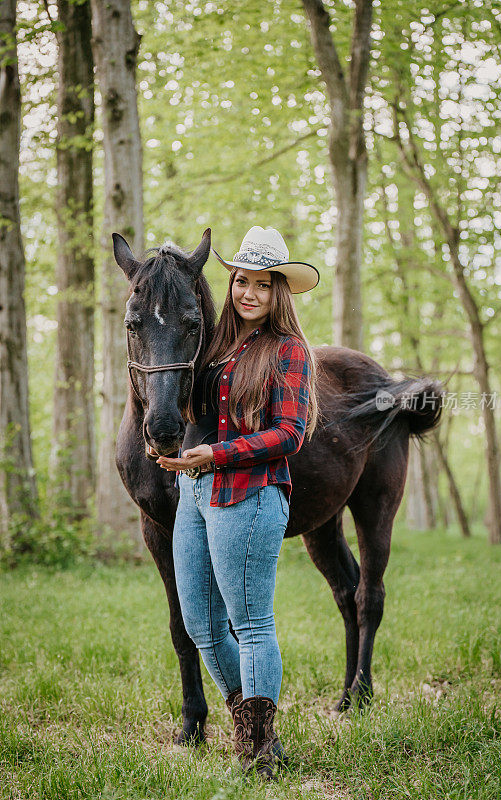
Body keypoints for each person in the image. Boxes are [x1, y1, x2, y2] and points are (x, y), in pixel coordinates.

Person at [155, 225, 320, 778]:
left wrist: (215, 455)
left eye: (262, 285)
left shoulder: (288, 351)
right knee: (202, 624)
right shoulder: (216, 345)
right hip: (195, 496)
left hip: (249, 495)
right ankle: (245, 722)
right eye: (241, 282)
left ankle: (260, 743)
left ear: (280, 294)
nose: (248, 293)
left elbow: (290, 435)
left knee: (250, 623)